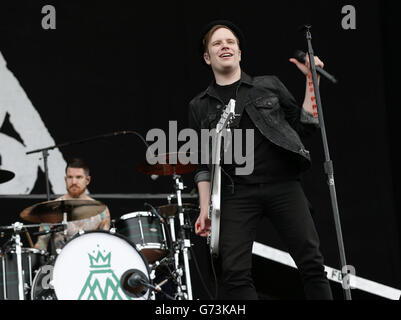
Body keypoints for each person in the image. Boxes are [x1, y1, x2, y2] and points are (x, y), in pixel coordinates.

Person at [188, 20, 333, 300]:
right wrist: (205, 208)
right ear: (208, 57)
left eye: (230, 42)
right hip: (235, 193)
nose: (225, 46)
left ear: (240, 53)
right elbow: (202, 164)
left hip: (282, 185)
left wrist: (310, 81)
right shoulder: (199, 105)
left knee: (312, 264)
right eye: (217, 43)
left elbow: (305, 126)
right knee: (235, 274)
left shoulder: (268, 86)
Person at [34, 158, 110, 251]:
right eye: (70, 177)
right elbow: (41, 245)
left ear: (88, 180)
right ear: (65, 179)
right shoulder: (52, 209)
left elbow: (106, 245)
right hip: (62, 263)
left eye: (78, 177)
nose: (74, 182)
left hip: (91, 262)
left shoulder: (101, 211)